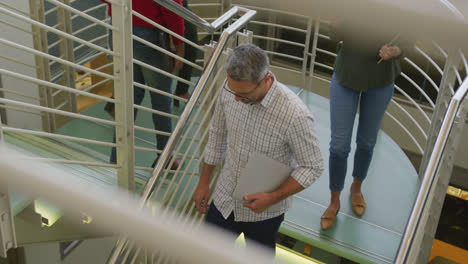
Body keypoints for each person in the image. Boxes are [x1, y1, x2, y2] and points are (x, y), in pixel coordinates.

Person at [193, 44, 324, 254]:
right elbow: (217, 135)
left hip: (265, 212)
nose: (235, 98)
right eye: (232, 90)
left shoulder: (295, 116)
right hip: (224, 198)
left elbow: (313, 167)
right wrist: (203, 183)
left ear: (266, 80)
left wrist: (273, 197)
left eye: (243, 94)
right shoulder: (230, 90)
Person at [320, 23, 404, 230]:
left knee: (367, 142)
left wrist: (396, 50)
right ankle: (334, 201)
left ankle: (356, 188)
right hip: (346, 74)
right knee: (339, 146)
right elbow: (333, 33)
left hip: (381, 79)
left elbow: (409, 38)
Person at [102, 0, 185, 168]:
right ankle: (165, 157)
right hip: (150, 35)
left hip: (119, 28)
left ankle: (116, 157)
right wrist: (180, 47)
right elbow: (173, 10)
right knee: (161, 100)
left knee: (128, 96)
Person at [173, 0, 199, 107]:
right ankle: (181, 91)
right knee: (190, 50)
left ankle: (181, 90)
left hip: (180, 8)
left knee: (190, 50)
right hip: (177, 9)